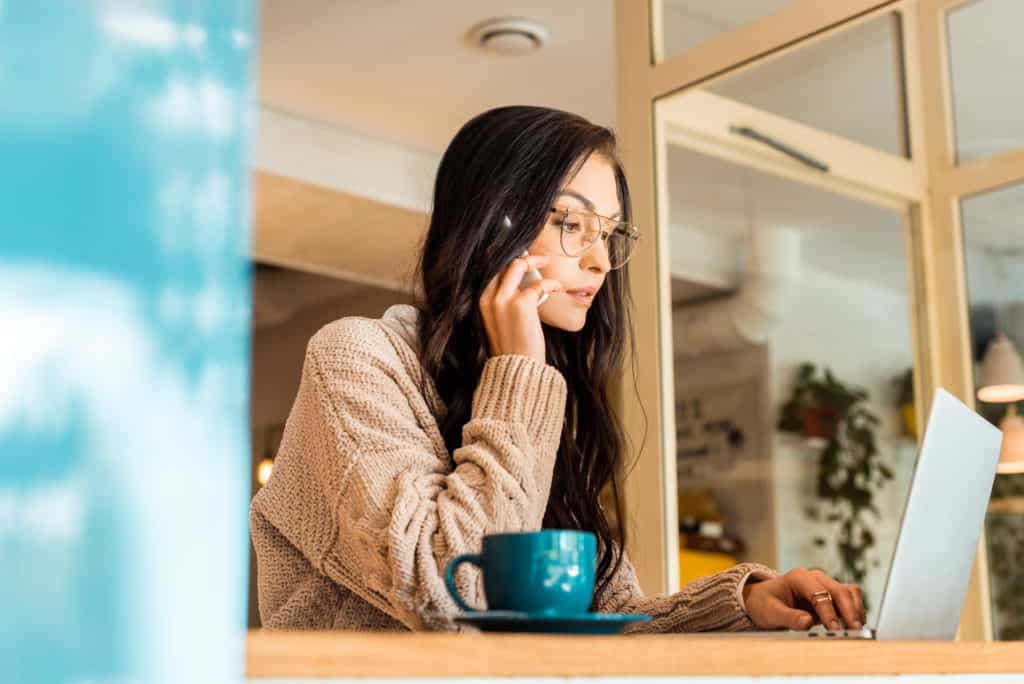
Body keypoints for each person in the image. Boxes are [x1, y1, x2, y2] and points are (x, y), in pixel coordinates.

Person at [250, 105, 866, 633]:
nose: (600, 261)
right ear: (493, 227)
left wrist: (742, 606)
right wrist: (519, 370)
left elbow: (603, 621)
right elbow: (446, 598)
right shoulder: (357, 359)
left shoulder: (537, 401)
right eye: (572, 225)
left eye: (609, 233)